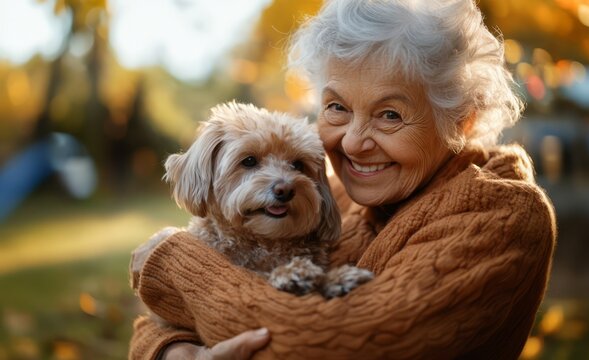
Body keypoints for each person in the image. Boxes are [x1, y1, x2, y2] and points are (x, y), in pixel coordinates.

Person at [129, 0, 556, 358]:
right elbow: (153, 326)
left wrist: (170, 263)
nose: (352, 143)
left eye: (390, 114)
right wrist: (172, 351)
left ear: (461, 120)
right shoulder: (336, 197)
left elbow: (332, 341)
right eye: (336, 107)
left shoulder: (500, 215)